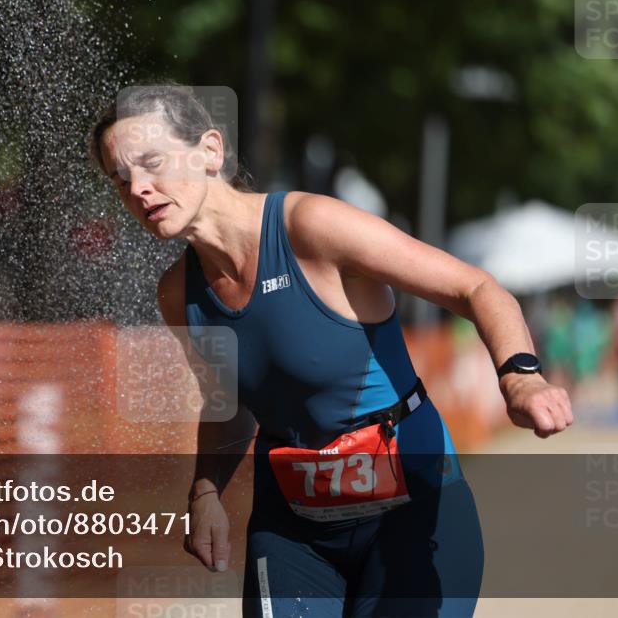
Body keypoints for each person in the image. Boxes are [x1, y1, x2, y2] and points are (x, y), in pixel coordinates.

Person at [88, 85, 573, 617]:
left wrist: (521, 376)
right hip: (293, 527)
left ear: (210, 150)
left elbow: (476, 288)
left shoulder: (310, 228)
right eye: (120, 178)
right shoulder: (178, 293)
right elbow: (228, 403)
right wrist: (205, 493)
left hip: (410, 503)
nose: (139, 188)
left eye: (151, 163)